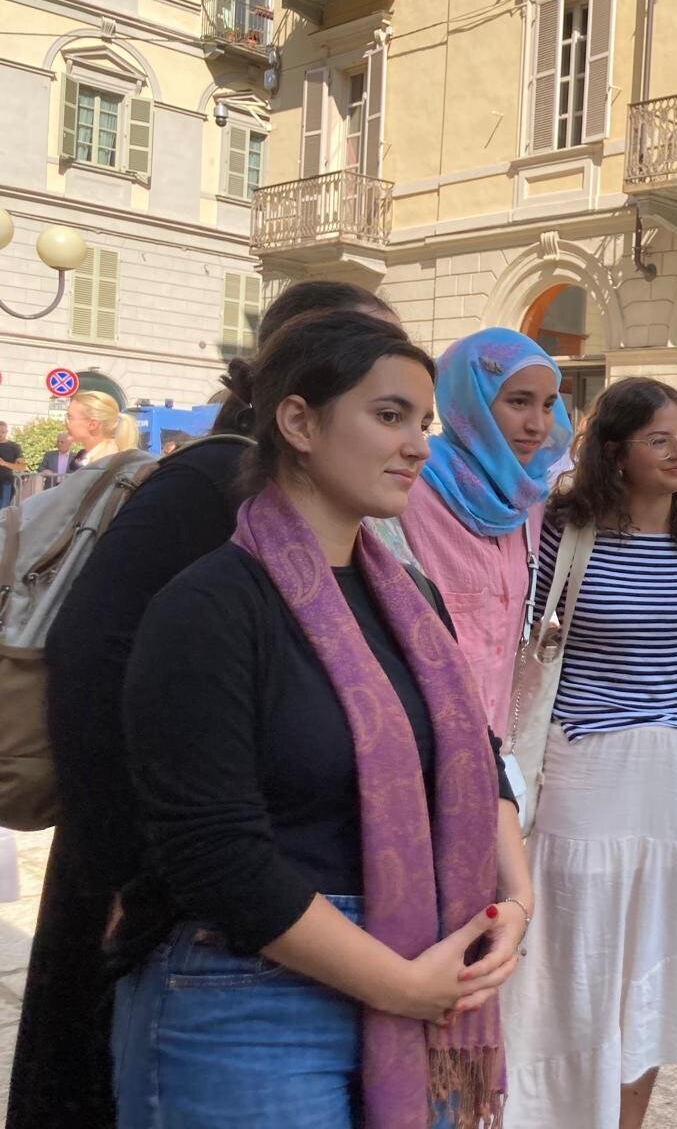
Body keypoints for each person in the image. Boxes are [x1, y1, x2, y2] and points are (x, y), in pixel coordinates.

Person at [112, 309, 530, 1128]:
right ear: (298, 421)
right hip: (251, 998)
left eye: (424, 423)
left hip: (426, 967)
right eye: (388, 416)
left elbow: (476, 754)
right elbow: (214, 853)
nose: (418, 445)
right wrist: (398, 983)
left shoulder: (411, 599)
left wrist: (512, 900)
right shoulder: (212, 608)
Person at [6, 281, 405, 1129]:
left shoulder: (356, 535)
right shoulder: (211, 483)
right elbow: (91, 668)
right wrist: (130, 875)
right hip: (158, 877)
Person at [500, 377, 677, 1129]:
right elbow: (523, 634)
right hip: (588, 765)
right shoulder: (564, 526)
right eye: (660, 439)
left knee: (652, 967)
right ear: (615, 452)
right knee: (575, 958)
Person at [385, 327, 572, 751]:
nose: (537, 425)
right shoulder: (406, 492)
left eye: (547, 405)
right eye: (518, 401)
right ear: (470, 401)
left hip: (495, 746)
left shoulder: (529, 504)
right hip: (418, 748)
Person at [65, 390, 138, 464]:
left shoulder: (106, 464)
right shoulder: (101, 459)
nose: (65, 422)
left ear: (92, 425)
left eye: (70, 417)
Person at [0, 421, 24, 510]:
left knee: (3, 512)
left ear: (6, 432)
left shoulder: (14, 446)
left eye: (3, 432)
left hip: (5, 483)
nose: (0, 434)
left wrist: (4, 463)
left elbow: (22, 467)